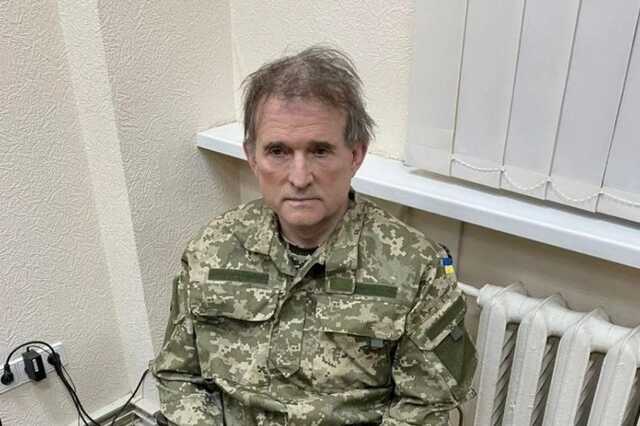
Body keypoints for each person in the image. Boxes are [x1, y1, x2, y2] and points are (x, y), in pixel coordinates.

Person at [151, 46, 477, 426]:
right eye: (278, 151)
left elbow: (427, 407)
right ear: (252, 157)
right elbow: (178, 376)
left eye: (320, 151)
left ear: (356, 155)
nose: (300, 177)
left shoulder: (417, 269)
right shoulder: (211, 249)